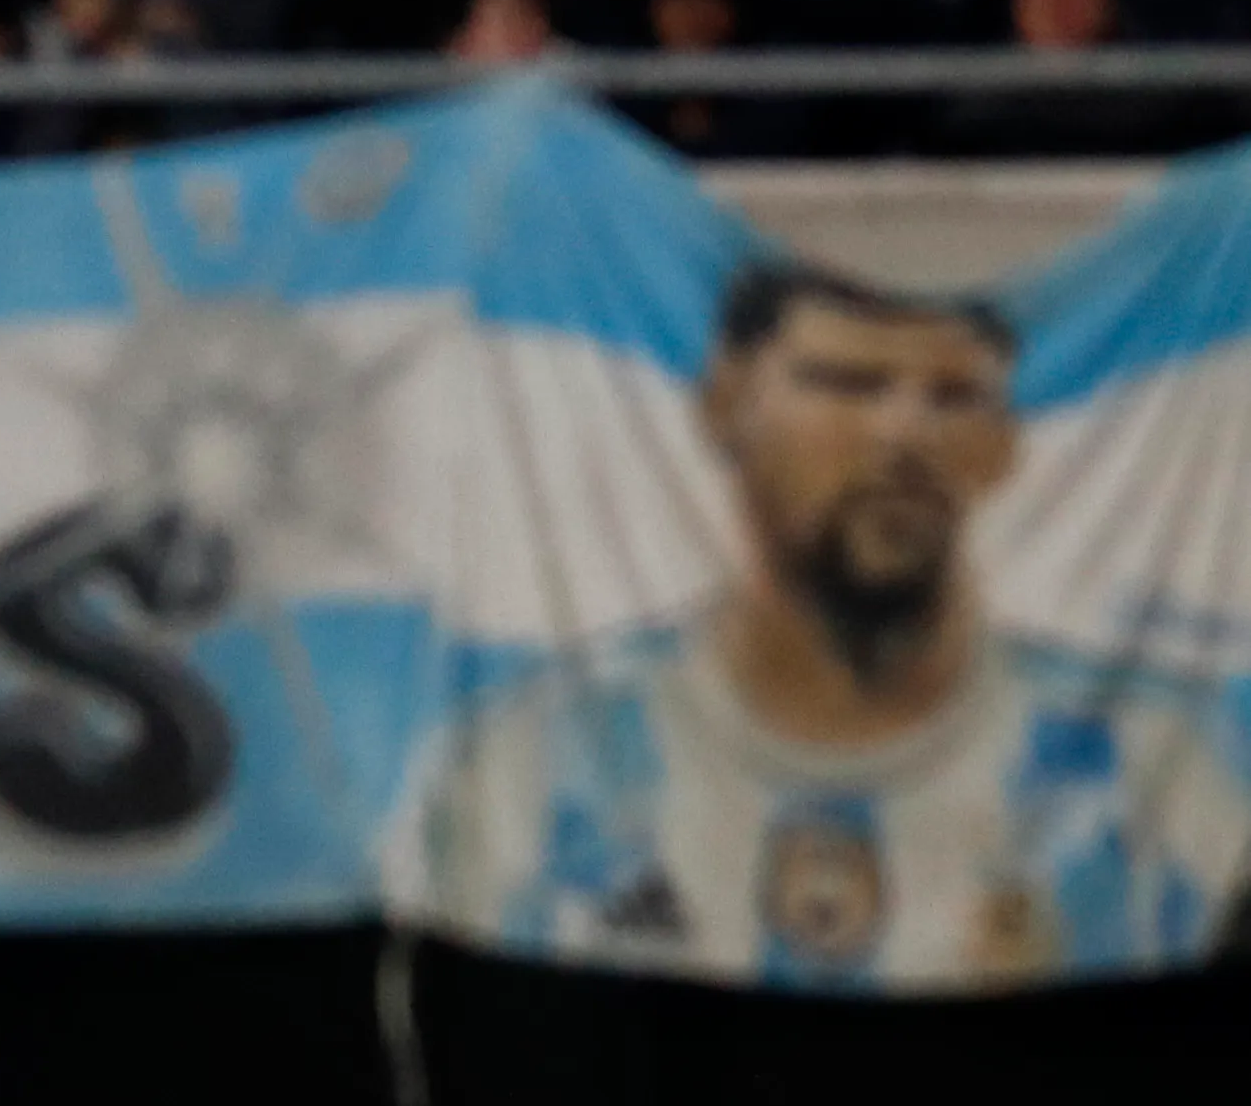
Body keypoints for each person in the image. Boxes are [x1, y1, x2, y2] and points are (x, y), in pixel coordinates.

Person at [384, 258, 1251, 983]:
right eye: (847, 384)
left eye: (953, 396)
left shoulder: (1157, 769)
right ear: (726, 406)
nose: (902, 433)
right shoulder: (529, 771)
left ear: (1004, 447)